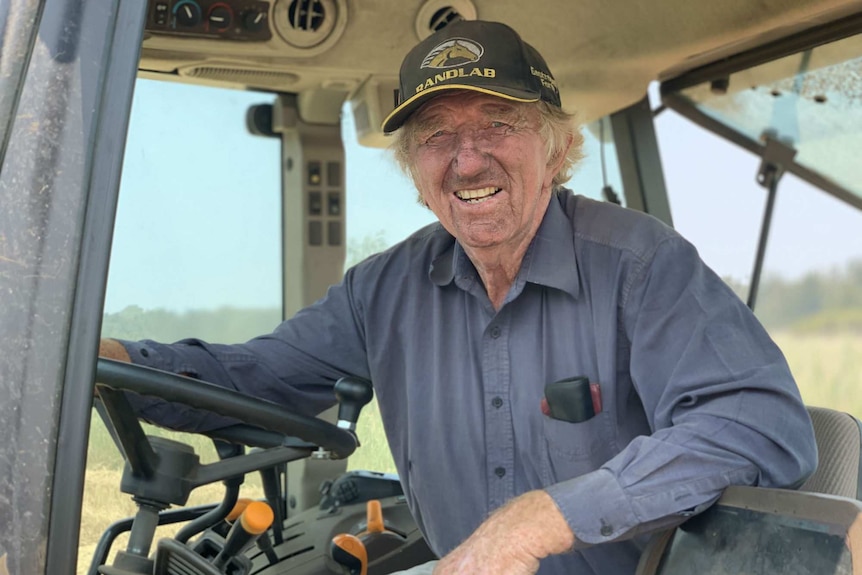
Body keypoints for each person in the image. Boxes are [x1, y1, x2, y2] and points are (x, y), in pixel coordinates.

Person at [100, 19, 817, 575]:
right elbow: (254, 381)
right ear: (417, 171)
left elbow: (757, 422)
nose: (468, 158)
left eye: (496, 125)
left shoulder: (641, 265)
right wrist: (98, 359)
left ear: (555, 145)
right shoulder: (382, 290)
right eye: (438, 136)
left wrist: (539, 518)